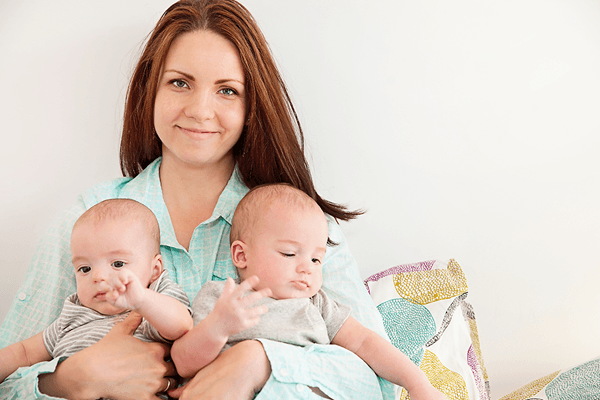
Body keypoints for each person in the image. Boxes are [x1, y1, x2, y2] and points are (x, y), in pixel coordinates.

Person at [0, 0, 395, 399]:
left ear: (250, 107)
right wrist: (68, 380)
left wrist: (257, 362)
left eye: (227, 90)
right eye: (179, 83)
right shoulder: (86, 223)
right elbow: (9, 374)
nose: (200, 110)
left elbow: (375, 383)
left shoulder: (304, 228)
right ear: (148, 90)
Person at [172, 184, 447, 400]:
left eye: (316, 259)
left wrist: (417, 383)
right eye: (289, 253)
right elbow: (183, 364)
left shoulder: (317, 304)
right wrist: (218, 328)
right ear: (241, 255)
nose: (307, 269)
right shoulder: (223, 299)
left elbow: (365, 343)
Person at [0, 199, 193, 386]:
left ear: (155, 270)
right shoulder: (73, 314)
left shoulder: (155, 299)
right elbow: (24, 352)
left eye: (117, 264)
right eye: (85, 269)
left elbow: (182, 325)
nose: (98, 277)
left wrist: (142, 301)